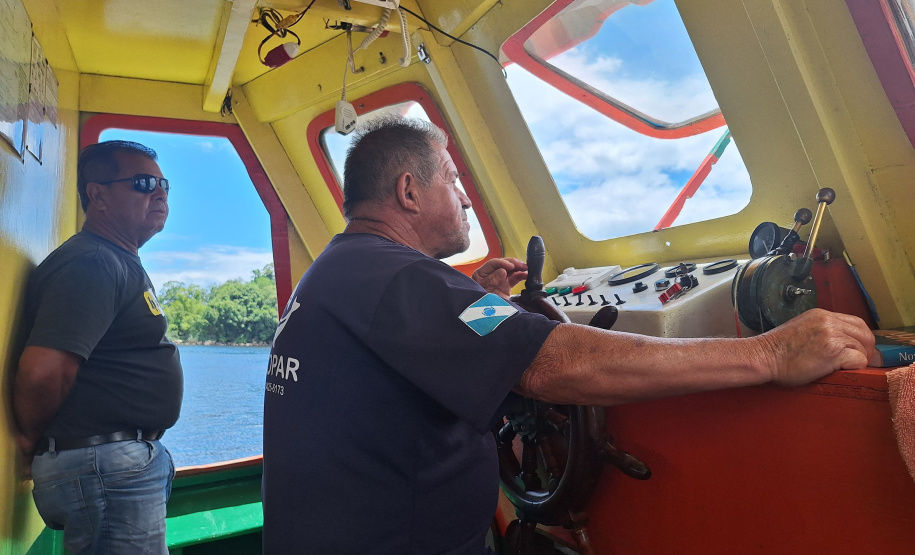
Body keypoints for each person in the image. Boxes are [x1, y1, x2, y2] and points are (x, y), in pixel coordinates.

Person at [262, 118, 875, 554]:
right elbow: (549, 363)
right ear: (408, 191)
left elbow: (427, 342)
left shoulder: (341, 271)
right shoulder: (399, 279)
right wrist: (771, 351)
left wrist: (476, 300)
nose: (467, 201)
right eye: (451, 180)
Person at [13, 141, 183, 555]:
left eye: (163, 185)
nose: (159, 194)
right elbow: (44, 370)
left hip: (111, 464)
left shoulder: (114, 260)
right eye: (143, 184)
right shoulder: (92, 263)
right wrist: (31, 439)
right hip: (105, 467)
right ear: (98, 195)